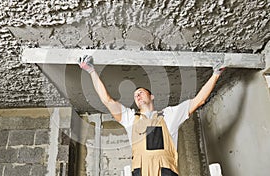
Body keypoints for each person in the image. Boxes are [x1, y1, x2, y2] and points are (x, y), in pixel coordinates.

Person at [78, 55, 225, 176]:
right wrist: (92, 72)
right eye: (135, 95)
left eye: (141, 92)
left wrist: (216, 74)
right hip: (140, 172)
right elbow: (107, 100)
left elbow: (199, 100)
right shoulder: (130, 118)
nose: (138, 96)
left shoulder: (169, 115)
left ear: (152, 96)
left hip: (166, 171)